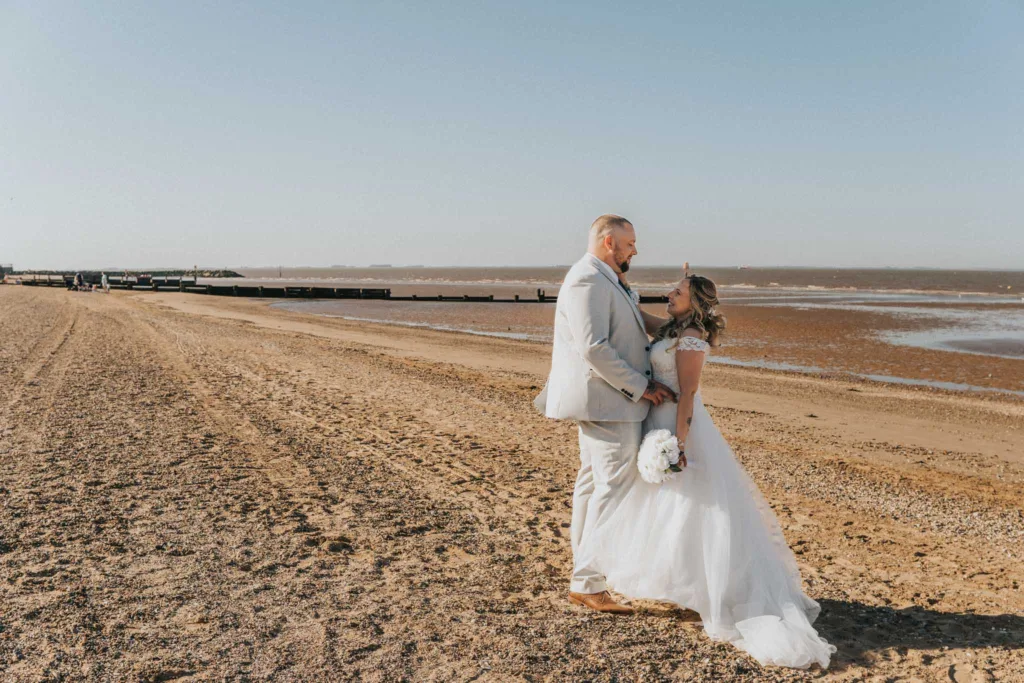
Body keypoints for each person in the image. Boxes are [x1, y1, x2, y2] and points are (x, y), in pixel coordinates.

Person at [573, 274, 836, 670]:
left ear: (693, 302)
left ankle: (714, 592)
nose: (669, 294)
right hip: (654, 419)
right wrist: (624, 293)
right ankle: (688, 586)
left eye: (676, 292)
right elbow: (641, 318)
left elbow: (689, 394)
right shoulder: (673, 327)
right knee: (669, 507)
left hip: (678, 425)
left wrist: (678, 444)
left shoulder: (691, 335)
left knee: (696, 506)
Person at [534, 215, 675, 614]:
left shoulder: (608, 277)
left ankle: (585, 573)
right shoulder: (588, 279)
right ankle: (588, 582)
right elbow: (594, 348)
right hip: (608, 401)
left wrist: (687, 328)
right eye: (630, 242)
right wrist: (643, 386)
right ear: (610, 241)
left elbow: (636, 323)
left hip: (606, 402)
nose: (636, 249)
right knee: (612, 489)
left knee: (593, 485)